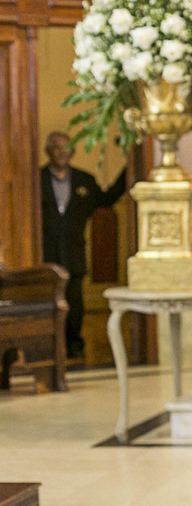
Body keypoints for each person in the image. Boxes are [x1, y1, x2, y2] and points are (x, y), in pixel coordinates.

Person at [39, 130, 126, 358]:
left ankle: (74, 344)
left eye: (67, 148)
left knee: (74, 302)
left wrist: (129, 169)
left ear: (73, 152)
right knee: (46, 301)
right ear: (48, 151)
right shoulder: (36, 179)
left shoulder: (84, 180)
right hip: (45, 254)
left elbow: (106, 199)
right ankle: (48, 346)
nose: (62, 152)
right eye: (57, 147)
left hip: (73, 252)